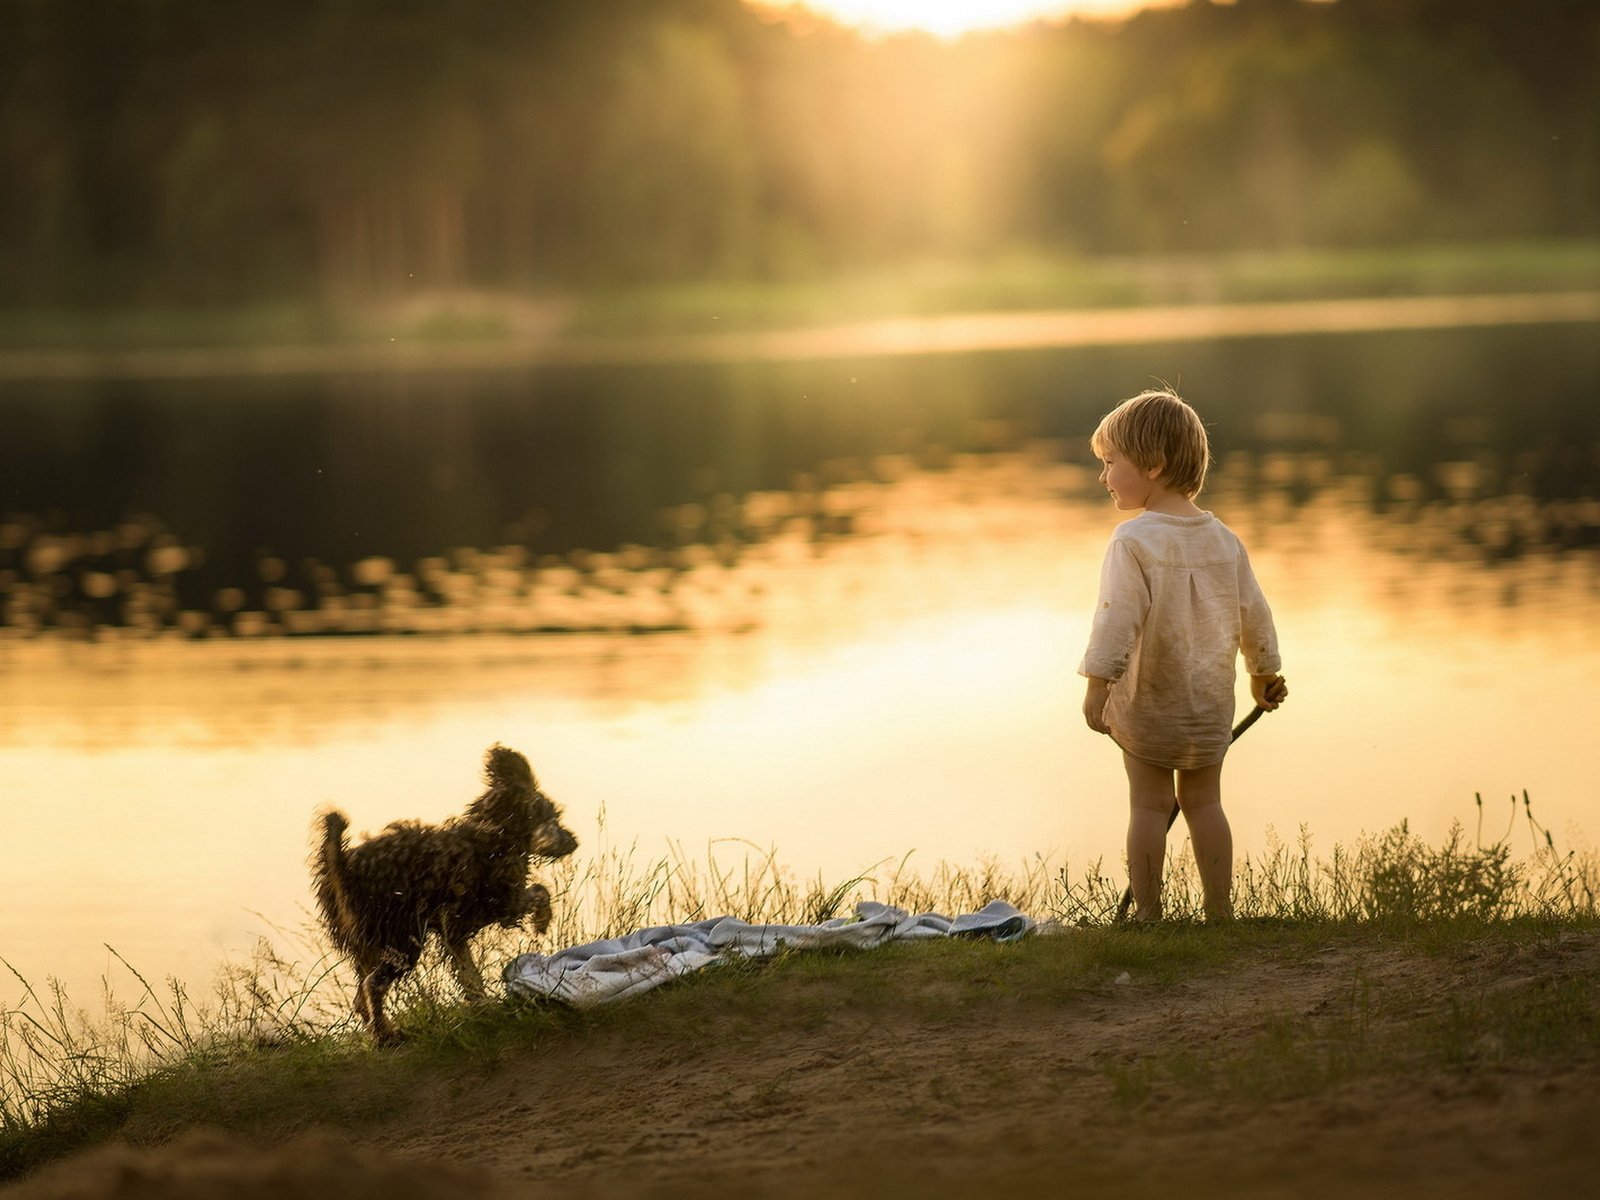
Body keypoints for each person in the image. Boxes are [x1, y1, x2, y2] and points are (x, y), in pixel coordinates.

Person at [1079, 387, 1286, 922]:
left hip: (1150, 699)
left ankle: (1150, 916)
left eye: (1109, 463)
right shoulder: (1224, 539)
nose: (1103, 477)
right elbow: (1254, 613)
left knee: (1149, 805)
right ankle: (1219, 913)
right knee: (1205, 803)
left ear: (1152, 464)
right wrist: (1264, 672)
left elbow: (1115, 619)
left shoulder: (1133, 540)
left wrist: (1097, 685)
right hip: (1207, 702)